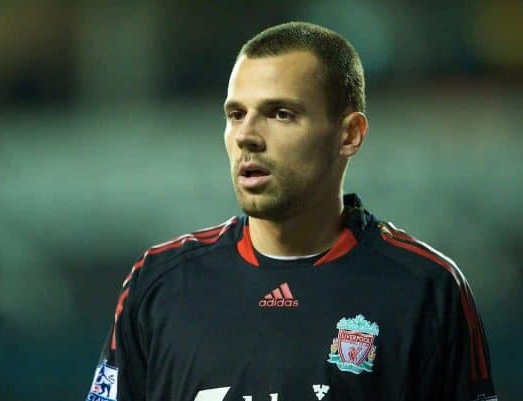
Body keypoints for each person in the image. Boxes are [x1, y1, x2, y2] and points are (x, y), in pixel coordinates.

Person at [85, 22, 497, 401]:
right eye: (236, 114)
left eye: (281, 114)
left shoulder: (426, 289)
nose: (247, 136)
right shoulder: (159, 284)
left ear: (349, 134)